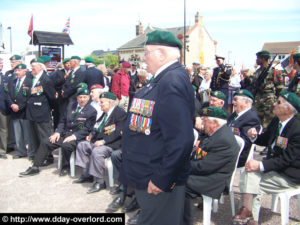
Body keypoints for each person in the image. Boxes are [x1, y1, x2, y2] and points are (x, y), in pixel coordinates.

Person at [119, 30, 195, 225]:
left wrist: (162, 178)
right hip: (147, 170)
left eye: (146, 53)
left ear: (161, 54)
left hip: (157, 176)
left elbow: (181, 139)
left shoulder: (172, 81)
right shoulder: (162, 79)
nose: (143, 59)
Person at [232, 90, 300, 225]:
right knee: (249, 174)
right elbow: (266, 139)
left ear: (288, 109)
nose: (274, 104)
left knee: (252, 185)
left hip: (289, 174)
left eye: (278, 102)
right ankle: (249, 220)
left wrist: (260, 165)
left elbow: (287, 159)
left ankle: (246, 219)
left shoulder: (297, 130)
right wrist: (255, 136)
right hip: (274, 168)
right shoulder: (277, 121)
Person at [19, 88, 97, 177]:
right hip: (65, 134)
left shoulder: (92, 111)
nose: (82, 99)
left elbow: (87, 128)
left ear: (88, 98)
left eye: (85, 97)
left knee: (66, 145)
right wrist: (57, 132)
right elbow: (62, 121)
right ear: (77, 97)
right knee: (46, 142)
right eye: (80, 97)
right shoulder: (71, 106)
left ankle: (66, 166)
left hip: (78, 138)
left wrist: (74, 136)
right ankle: (35, 167)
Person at [183, 106, 240, 225]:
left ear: (214, 123)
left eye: (205, 120)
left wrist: (183, 167)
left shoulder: (223, 140)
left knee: (181, 183)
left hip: (215, 179)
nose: (202, 124)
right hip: (208, 172)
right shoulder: (215, 133)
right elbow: (199, 155)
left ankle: (184, 221)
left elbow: (205, 166)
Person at [73, 92, 126, 194]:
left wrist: (103, 141)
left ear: (110, 103)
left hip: (111, 144)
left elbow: (117, 132)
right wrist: (92, 134)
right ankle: (87, 174)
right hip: (98, 140)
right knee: (82, 145)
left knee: (97, 152)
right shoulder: (105, 113)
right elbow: (98, 126)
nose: (100, 104)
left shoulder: (120, 113)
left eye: (102, 102)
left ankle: (100, 181)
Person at [25, 58, 56, 167]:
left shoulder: (46, 80)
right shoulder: (32, 78)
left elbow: (52, 97)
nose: (32, 68)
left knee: (44, 137)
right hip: (32, 113)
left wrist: (49, 109)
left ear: (40, 67)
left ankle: (48, 157)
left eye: (34, 66)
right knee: (35, 137)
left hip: (42, 113)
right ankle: (39, 156)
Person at [6, 64, 35, 159]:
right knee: (18, 134)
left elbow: (29, 97)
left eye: (19, 70)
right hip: (14, 112)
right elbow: (8, 95)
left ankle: (31, 153)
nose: (17, 72)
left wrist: (20, 106)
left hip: (25, 112)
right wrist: (12, 104)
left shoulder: (30, 82)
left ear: (25, 71)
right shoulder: (12, 82)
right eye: (16, 71)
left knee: (28, 135)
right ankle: (21, 152)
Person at [227, 90, 261, 167]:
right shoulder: (235, 115)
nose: (233, 102)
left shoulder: (251, 118)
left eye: (236, 100)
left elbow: (244, 143)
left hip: (235, 155)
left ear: (246, 102)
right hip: (226, 149)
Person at [0, 57, 10, 158]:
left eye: (1, 64)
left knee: (3, 129)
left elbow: (8, 93)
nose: (0, 65)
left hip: (2, 107)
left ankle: (2, 151)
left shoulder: (5, 78)